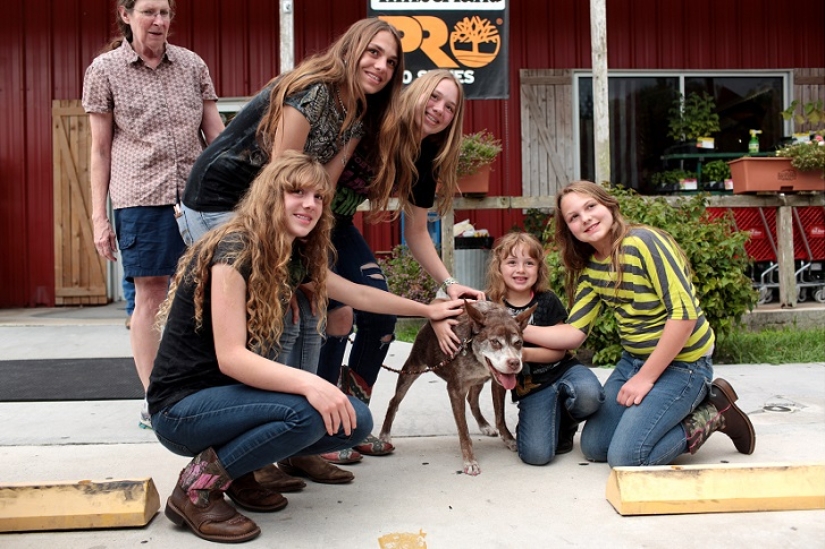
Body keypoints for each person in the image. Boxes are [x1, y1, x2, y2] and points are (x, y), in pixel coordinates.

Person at [148, 151, 464, 543]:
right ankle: (195, 489)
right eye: (296, 192)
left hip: (228, 401)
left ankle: (239, 471)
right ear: (269, 196)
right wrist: (313, 384)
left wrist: (428, 310)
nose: (310, 204)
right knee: (310, 413)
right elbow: (231, 358)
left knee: (355, 421)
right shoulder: (234, 251)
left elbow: (357, 294)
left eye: (319, 197)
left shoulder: (290, 254)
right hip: (182, 410)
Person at [316, 70, 486, 464]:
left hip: (339, 225)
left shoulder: (424, 159)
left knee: (381, 317)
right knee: (335, 314)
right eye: (435, 98)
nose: (440, 110)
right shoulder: (375, 124)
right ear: (417, 93)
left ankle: (352, 422)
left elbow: (418, 234)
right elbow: (321, 187)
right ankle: (320, 429)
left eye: (450, 107)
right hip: (309, 222)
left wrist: (450, 283)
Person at [522, 181, 756, 467]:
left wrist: (645, 379)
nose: (585, 218)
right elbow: (573, 333)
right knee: (595, 447)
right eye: (573, 217)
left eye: (590, 207)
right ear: (569, 229)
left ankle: (713, 413)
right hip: (633, 361)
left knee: (626, 458)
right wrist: (517, 328)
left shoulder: (644, 242)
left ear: (608, 205)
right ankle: (663, 412)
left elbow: (684, 316)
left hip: (685, 364)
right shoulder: (591, 267)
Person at [82, 0, 224, 429]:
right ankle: (156, 399)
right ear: (125, 14)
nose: (159, 21)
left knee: (210, 292)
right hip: (141, 198)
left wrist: (236, 193)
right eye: (148, 12)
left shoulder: (192, 65)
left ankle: (202, 383)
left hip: (199, 199)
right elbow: (100, 149)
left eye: (164, 12)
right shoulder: (104, 70)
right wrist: (98, 218)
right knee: (151, 296)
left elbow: (215, 133)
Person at [177, 17, 403, 245]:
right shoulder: (312, 89)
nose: (382, 66)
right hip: (218, 200)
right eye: (374, 52)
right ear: (349, 50)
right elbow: (281, 175)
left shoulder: (359, 114)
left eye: (391, 62)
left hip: (262, 205)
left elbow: (324, 184)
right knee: (252, 275)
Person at [485, 232, 603, 465]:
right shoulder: (491, 304)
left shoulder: (546, 300)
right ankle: (546, 418)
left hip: (562, 370)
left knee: (590, 395)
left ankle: (567, 420)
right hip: (533, 386)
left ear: (539, 268)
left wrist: (522, 355)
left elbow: (558, 350)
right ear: (499, 267)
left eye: (529, 263)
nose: (521, 270)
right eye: (512, 263)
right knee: (536, 456)